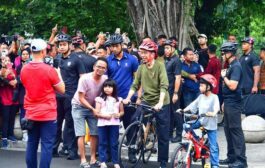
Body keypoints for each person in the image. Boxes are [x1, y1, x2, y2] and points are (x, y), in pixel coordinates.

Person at [123, 40, 170, 168]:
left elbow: (164, 85)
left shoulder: (160, 65)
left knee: (163, 133)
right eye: (141, 53)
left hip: (162, 102)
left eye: (145, 53)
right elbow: (135, 84)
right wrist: (127, 98)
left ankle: (163, 161)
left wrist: (160, 102)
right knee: (134, 120)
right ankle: (137, 145)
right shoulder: (141, 67)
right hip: (147, 100)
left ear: (153, 53)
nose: (142, 55)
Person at [20, 39, 65, 168]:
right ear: (44, 51)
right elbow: (62, 90)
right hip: (47, 113)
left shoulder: (24, 69)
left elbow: (27, 85)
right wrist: (58, 73)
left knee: (32, 144)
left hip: (31, 113)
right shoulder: (49, 70)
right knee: (47, 146)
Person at [106, 34, 139, 163]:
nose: (113, 48)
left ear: (121, 45)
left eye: (116, 46)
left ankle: (132, 152)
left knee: (130, 128)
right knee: (112, 128)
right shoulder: (108, 60)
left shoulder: (132, 59)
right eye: (111, 46)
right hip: (113, 100)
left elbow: (137, 79)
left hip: (128, 98)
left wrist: (137, 96)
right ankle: (110, 153)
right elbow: (106, 81)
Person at [53, 34, 86, 160]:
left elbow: (83, 78)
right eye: (59, 45)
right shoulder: (57, 59)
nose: (61, 47)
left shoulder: (77, 59)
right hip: (57, 95)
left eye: (63, 44)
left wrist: (78, 95)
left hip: (71, 96)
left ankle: (72, 151)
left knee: (70, 124)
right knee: (56, 123)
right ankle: (54, 149)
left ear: (70, 45)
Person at [71, 57, 108, 168]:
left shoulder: (105, 78)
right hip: (79, 106)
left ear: (105, 70)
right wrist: (93, 109)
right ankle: (83, 160)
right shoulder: (84, 78)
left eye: (103, 68)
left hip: (93, 107)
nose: (100, 69)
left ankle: (93, 158)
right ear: (93, 67)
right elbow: (81, 98)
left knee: (95, 133)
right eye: (98, 66)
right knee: (81, 133)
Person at [179, 74, 220, 168]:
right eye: (200, 85)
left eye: (202, 85)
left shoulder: (214, 97)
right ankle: (197, 142)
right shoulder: (201, 97)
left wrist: (213, 113)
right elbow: (192, 106)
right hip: (201, 121)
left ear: (208, 87)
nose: (199, 87)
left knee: (213, 147)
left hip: (211, 125)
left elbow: (216, 108)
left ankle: (215, 165)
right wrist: (183, 110)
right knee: (186, 126)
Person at [219, 42, 247, 168]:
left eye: (223, 52)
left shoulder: (236, 66)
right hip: (229, 101)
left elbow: (233, 85)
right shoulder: (230, 65)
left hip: (235, 103)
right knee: (228, 130)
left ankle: (241, 161)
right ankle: (231, 158)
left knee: (235, 130)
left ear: (230, 53)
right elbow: (227, 88)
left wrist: (224, 77)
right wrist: (224, 102)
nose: (222, 55)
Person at [95, 79, 124, 168]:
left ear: (114, 88)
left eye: (110, 87)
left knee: (114, 143)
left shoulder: (119, 99)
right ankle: (102, 161)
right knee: (102, 142)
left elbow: (122, 111)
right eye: (105, 86)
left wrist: (118, 114)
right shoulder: (99, 99)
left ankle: (116, 162)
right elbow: (97, 112)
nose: (107, 89)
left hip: (114, 124)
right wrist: (104, 116)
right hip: (102, 124)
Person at [163, 40, 182, 143]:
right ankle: (169, 134)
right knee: (169, 113)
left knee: (176, 113)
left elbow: (178, 77)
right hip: (166, 90)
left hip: (174, 90)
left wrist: (175, 93)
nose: (165, 50)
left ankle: (179, 135)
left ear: (173, 49)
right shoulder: (166, 60)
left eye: (167, 48)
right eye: (165, 48)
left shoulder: (176, 60)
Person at [0, 56, 18, 148]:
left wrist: (13, 78)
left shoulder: (13, 70)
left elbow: (16, 81)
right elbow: (3, 82)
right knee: (5, 119)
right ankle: (4, 138)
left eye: (8, 60)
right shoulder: (1, 71)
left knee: (12, 118)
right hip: (4, 98)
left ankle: (11, 135)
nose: (6, 62)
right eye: (4, 60)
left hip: (13, 99)